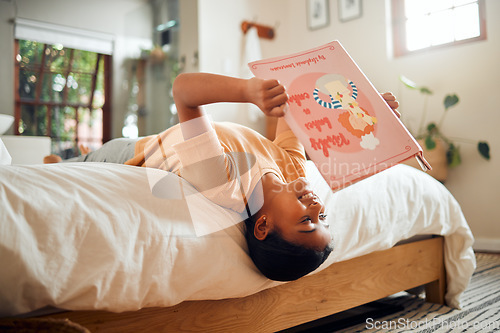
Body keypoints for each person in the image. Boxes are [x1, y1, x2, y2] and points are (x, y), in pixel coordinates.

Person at [44, 72, 400, 281]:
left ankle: (56, 162)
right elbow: (297, 113)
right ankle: (56, 158)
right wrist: (362, 110)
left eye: (307, 221)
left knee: (71, 166)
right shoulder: (293, 169)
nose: (317, 205)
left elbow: (183, 90)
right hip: (163, 139)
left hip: (131, 151)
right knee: (64, 159)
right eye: (322, 216)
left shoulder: (225, 186)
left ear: (262, 226)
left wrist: (247, 91)